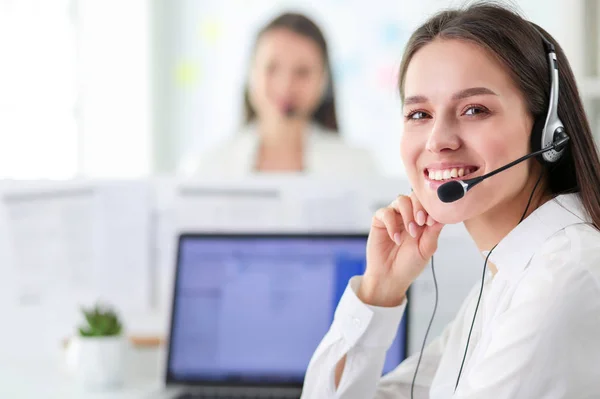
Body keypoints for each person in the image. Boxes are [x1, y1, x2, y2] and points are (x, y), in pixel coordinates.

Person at [301, 3, 600, 399]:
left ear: (548, 130)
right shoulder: (505, 276)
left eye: (474, 109)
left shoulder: (565, 277)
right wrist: (379, 291)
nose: (439, 140)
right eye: (420, 113)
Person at [179, 12, 377, 178]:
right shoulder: (207, 167)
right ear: (251, 73)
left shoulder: (358, 168)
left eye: (302, 72)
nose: (285, 86)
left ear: (323, 81)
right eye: (271, 68)